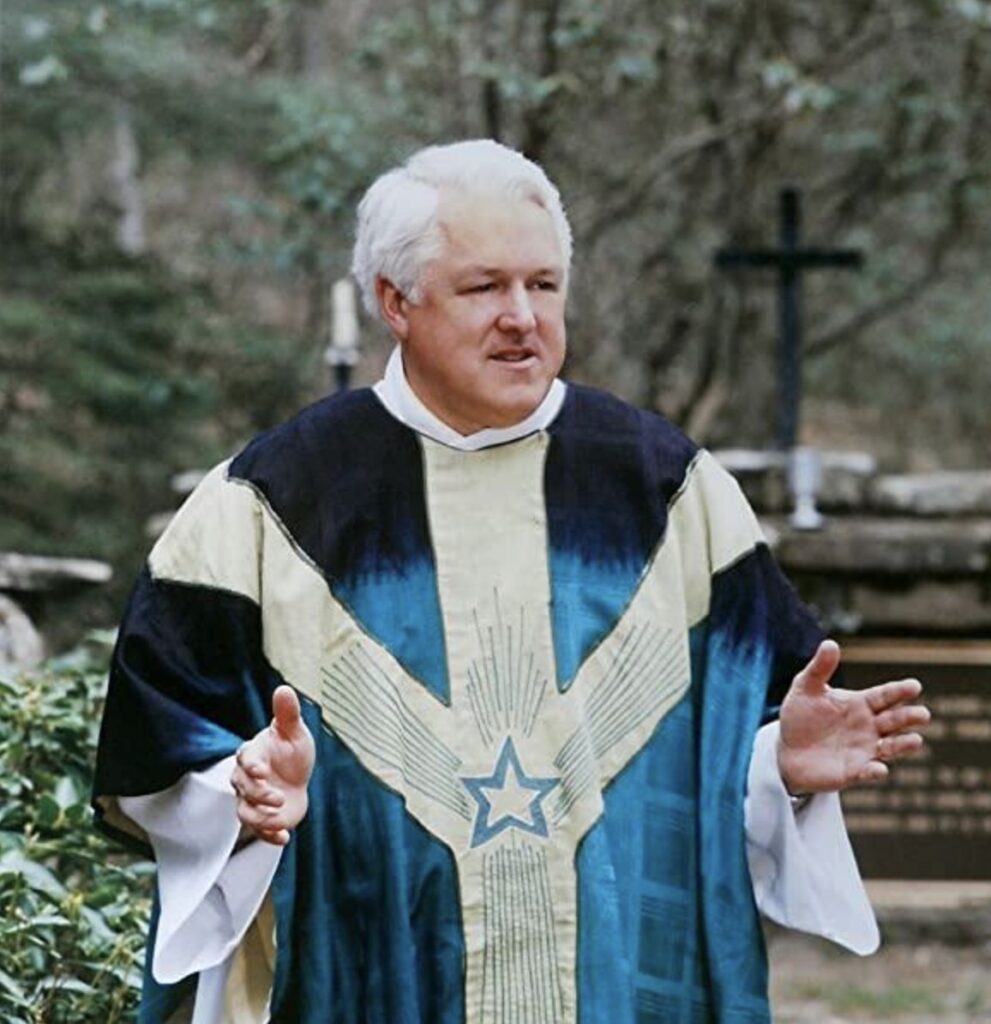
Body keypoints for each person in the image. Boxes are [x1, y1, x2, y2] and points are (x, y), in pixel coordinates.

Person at [93, 140, 929, 1024]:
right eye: (484, 287)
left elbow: (733, 741)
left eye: (543, 284)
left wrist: (775, 765)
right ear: (394, 303)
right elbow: (159, 750)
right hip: (368, 972)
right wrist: (242, 792)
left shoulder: (666, 489)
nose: (522, 317)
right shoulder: (263, 504)